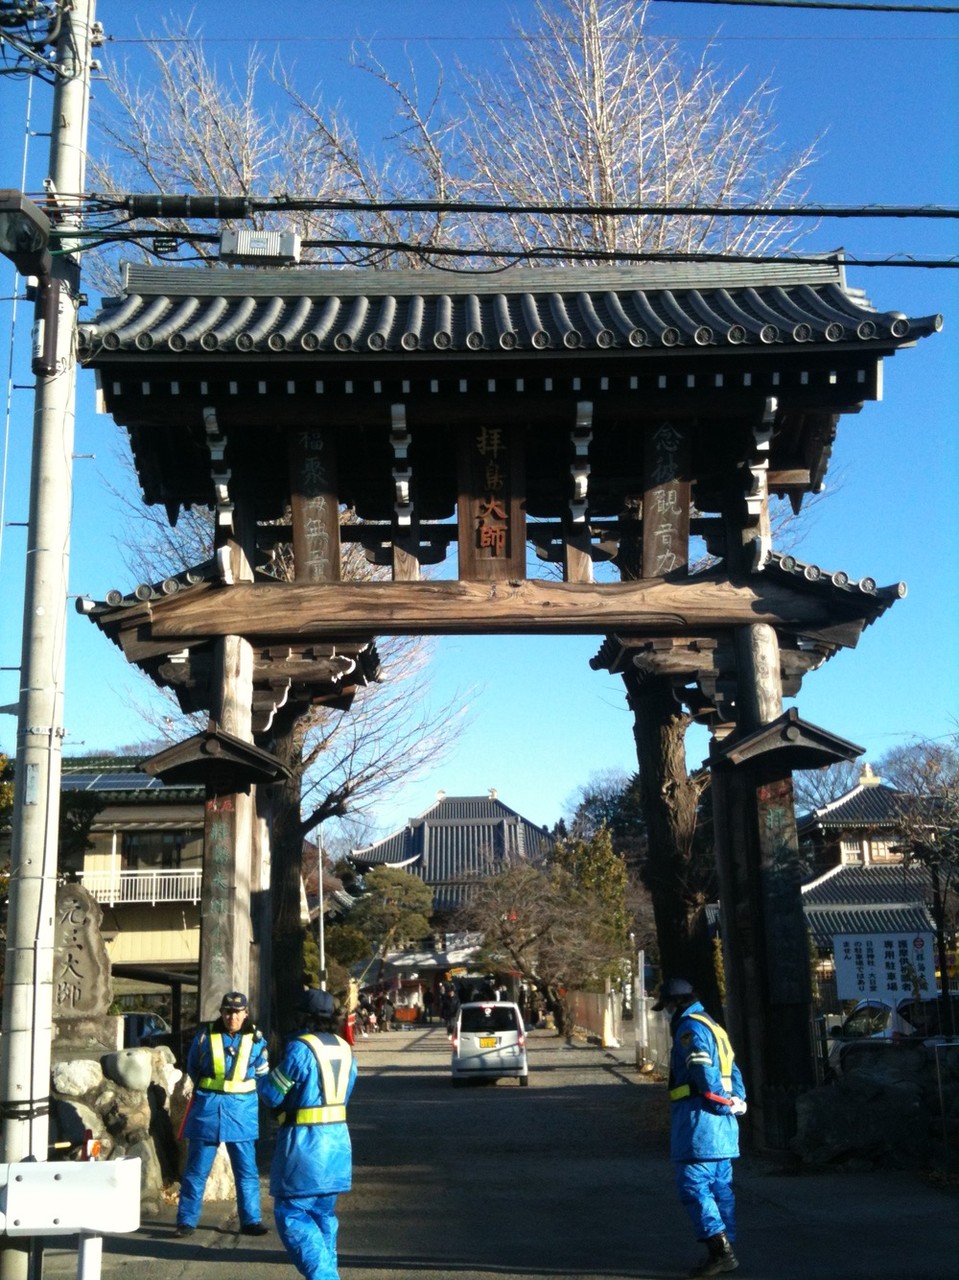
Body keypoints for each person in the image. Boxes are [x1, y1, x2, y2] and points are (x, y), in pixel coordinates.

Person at [259, 988, 357, 1280]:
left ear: (303, 1016)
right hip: (338, 1147)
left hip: (304, 1148)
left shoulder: (300, 1048)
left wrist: (263, 1071)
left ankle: (326, 1278)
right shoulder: (345, 1047)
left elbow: (272, 1095)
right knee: (323, 1217)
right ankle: (328, 1273)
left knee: (292, 1215)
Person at [654, 977, 747, 1277]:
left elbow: (703, 1074)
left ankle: (720, 1251)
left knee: (693, 1186)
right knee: (721, 1189)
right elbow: (733, 1069)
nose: (666, 1012)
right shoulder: (713, 1025)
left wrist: (720, 1103)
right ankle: (726, 1249)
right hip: (724, 1127)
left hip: (699, 1123)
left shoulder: (689, 1029)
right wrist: (737, 1102)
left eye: (666, 1007)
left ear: (674, 1003)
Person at [176, 990, 270, 1238]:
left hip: (242, 1112)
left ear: (245, 1013)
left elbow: (262, 1074)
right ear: (221, 1012)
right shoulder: (204, 1037)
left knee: (246, 1170)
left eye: (237, 1012)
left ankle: (251, 1220)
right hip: (208, 1110)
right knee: (196, 1170)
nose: (232, 1017)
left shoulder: (257, 1041)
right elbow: (193, 1067)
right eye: (228, 1012)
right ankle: (186, 1221)